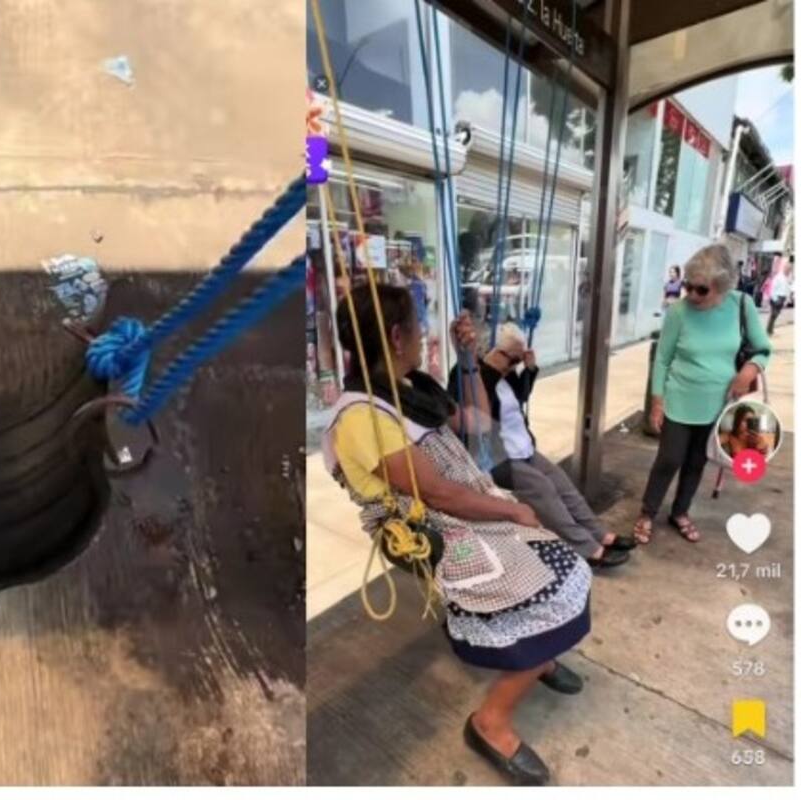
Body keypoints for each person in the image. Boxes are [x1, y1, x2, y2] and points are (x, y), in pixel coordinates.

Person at [322, 284, 591, 786]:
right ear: (398, 334)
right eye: (420, 325)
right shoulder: (362, 416)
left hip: (463, 508)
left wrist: (470, 358)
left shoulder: (410, 387)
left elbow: (476, 420)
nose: (426, 334)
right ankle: (490, 722)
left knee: (552, 563)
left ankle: (535, 655)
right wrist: (512, 514)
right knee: (558, 578)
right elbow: (440, 495)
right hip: (430, 529)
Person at [448, 323, 635, 569]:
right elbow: (478, 416)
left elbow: (521, 397)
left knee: (562, 483)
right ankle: (586, 548)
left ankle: (599, 533)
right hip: (496, 458)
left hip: (522, 447)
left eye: (517, 360)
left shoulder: (506, 373)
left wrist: (530, 368)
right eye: (511, 359)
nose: (512, 365)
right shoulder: (469, 373)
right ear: (492, 352)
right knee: (544, 490)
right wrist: (492, 370)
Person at [635, 244, 771, 544]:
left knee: (698, 461)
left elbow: (763, 349)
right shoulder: (679, 312)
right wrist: (657, 402)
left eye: (701, 290)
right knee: (669, 458)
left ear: (722, 288)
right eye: (688, 286)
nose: (692, 295)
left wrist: (748, 371)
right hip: (681, 398)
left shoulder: (741, 305)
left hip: (720, 403)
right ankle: (647, 511)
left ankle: (680, 511)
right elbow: (663, 359)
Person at [767, 263, 791, 335]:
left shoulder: (785, 278)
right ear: (784, 268)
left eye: (789, 270)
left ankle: (770, 330)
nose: (789, 271)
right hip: (777, 297)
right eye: (788, 269)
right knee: (773, 315)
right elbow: (773, 288)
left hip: (781, 298)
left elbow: (786, 289)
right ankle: (769, 331)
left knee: (775, 315)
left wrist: (787, 299)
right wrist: (774, 299)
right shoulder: (779, 277)